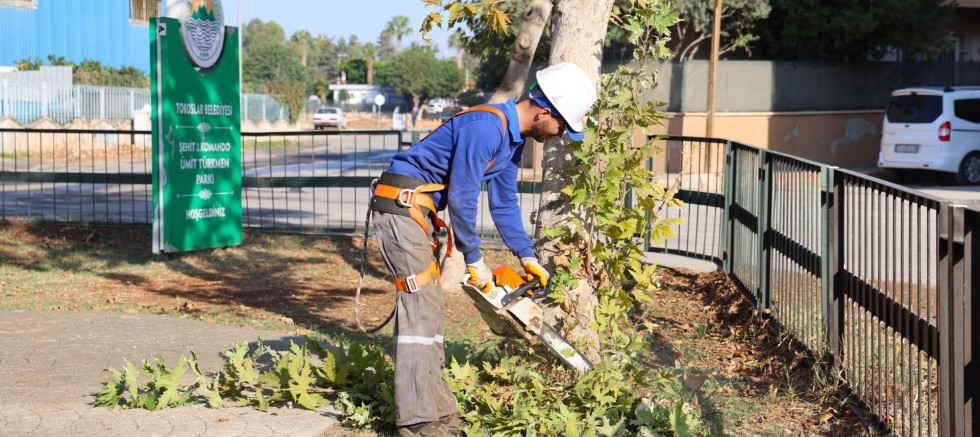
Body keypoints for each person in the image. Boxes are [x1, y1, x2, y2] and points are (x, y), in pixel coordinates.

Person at [368, 62, 597, 437]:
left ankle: (437, 414)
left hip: (415, 213)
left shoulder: (511, 140)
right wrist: (474, 259)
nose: (560, 135)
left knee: (429, 313)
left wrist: (527, 256)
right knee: (418, 314)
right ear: (545, 111)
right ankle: (416, 422)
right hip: (401, 208)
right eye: (562, 126)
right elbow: (461, 195)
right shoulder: (486, 128)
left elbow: (504, 203)